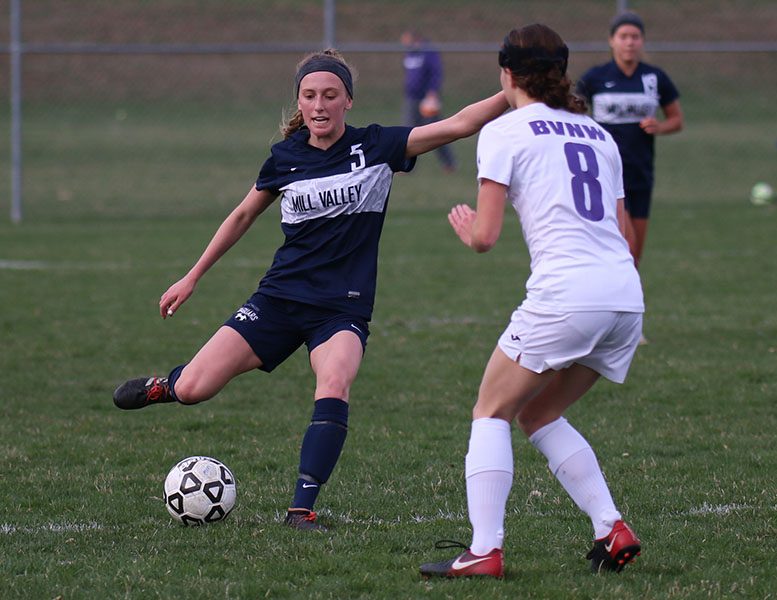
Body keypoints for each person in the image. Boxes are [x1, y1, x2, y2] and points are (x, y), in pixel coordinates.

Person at [112, 49, 508, 532]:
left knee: (335, 382)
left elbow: (461, 123)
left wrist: (515, 92)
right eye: (309, 96)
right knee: (196, 388)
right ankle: (166, 385)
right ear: (300, 102)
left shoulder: (378, 146)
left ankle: (301, 508)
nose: (319, 105)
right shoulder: (286, 158)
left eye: (330, 96)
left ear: (348, 102)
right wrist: (192, 275)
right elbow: (241, 216)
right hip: (278, 300)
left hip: (340, 308)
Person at [419, 24, 644, 579]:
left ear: (506, 72)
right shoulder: (598, 134)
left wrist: (466, 227)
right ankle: (610, 526)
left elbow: (486, 238)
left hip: (568, 294)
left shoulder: (504, 132)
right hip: (625, 296)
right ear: (561, 74)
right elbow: (623, 232)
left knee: (490, 411)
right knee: (540, 412)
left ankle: (484, 551)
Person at [576, 11, 682, 270]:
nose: (630, 42)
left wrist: (660, 126)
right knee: (626, 248)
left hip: (641, 172)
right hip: (607, 173)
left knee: (634, 257)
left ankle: (630, 307)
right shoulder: (595, 78)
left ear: (642, 41)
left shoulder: (654, 78)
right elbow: (573, 112)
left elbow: (676, 120)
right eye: (623, 36)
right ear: (612, 40)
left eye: (635, 37)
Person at [401, 30, 457, 173]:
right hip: (412, 98)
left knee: (435, 132)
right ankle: (407, 165)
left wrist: (432, 93)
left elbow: (436, 72)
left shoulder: (428, 51)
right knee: (408, 132)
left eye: (405, 39)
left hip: (427, 98)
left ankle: (449, 163)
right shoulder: (410, 53)